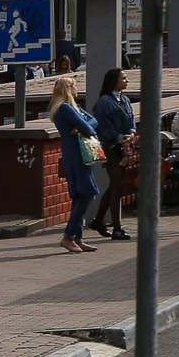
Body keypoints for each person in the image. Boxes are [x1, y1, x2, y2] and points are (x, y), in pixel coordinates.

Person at [46, 76, 101, 254]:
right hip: (77, 155)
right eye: (75, 87)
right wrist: (83, 126)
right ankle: (68, 236)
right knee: (88, 192)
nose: (77, 90)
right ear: (69, 89)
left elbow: (94, 120)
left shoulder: (74, 108)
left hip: (76, 155)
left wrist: (82, 125)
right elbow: (90, 129)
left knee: (79, 195)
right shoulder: (65, 108)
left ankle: (78, 238)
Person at [91, 69, 136, 240]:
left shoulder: (124, 99)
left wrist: (130, 134)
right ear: (114, 81)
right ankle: (117, 227)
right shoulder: (104, 102)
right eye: (123, 78)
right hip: (111, 147)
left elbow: (131, 121)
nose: (126, 81)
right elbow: (102, 126)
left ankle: (99, 220)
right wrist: (119, 138)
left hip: (124, 147)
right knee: (116, 185)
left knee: (115, 185)